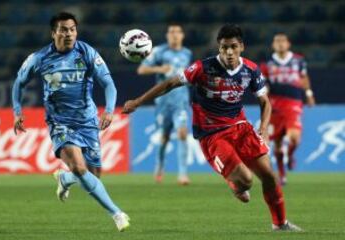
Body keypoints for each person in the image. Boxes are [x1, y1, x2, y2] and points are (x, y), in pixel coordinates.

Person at [123, 24, 301, 231]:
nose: (229, 52)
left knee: (270, 177)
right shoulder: (202, 68)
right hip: (212, 134)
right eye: (224, 47)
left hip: (241, 128)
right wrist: (138, 101)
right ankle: (234, 183)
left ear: (241, 46)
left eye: (233, 47)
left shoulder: (251, 70)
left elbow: (265, 102)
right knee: (246, 181)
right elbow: (170, 83)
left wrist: (263, 128)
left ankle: (280, 224)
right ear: (219, 47)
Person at [12, 12, 130, 232]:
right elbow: (19, 82)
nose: (68, 33)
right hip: (59, 123)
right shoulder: (39, 58)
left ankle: (65, 178)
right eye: (63, 29)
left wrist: (110, 110)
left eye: (72, 29)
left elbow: (109, 84)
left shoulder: (87, 52)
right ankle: (117, 213)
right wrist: (17, 112)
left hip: (87, 120)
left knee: (93, 175)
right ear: (53, 33)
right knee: (78, 166)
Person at [137, 24, 192, 185]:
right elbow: (142, 69)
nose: (174, 35)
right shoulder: (159, 51)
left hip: (180, 101)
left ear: (182, 35)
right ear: (167, 36)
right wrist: (160, 69)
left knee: (182, 133)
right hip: (163, 102)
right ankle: (160, 165)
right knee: (164, 138)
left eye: (177, 32)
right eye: (171, 32)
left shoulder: (187, 53)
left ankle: (182, 174)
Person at [260, 33, 316, 185]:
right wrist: (264, 98)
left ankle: (290, 155)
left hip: (293, 103)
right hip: (275, 104)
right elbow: (264, 85)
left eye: (283, 41)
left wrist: (309, 94)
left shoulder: (298, 60)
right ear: (273, 45)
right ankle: (282, 174)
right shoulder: (267, 64)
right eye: (277, 41)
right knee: (277, 143)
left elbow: (304, 78)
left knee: (294, 138)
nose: (280, 44)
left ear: (288, 44)